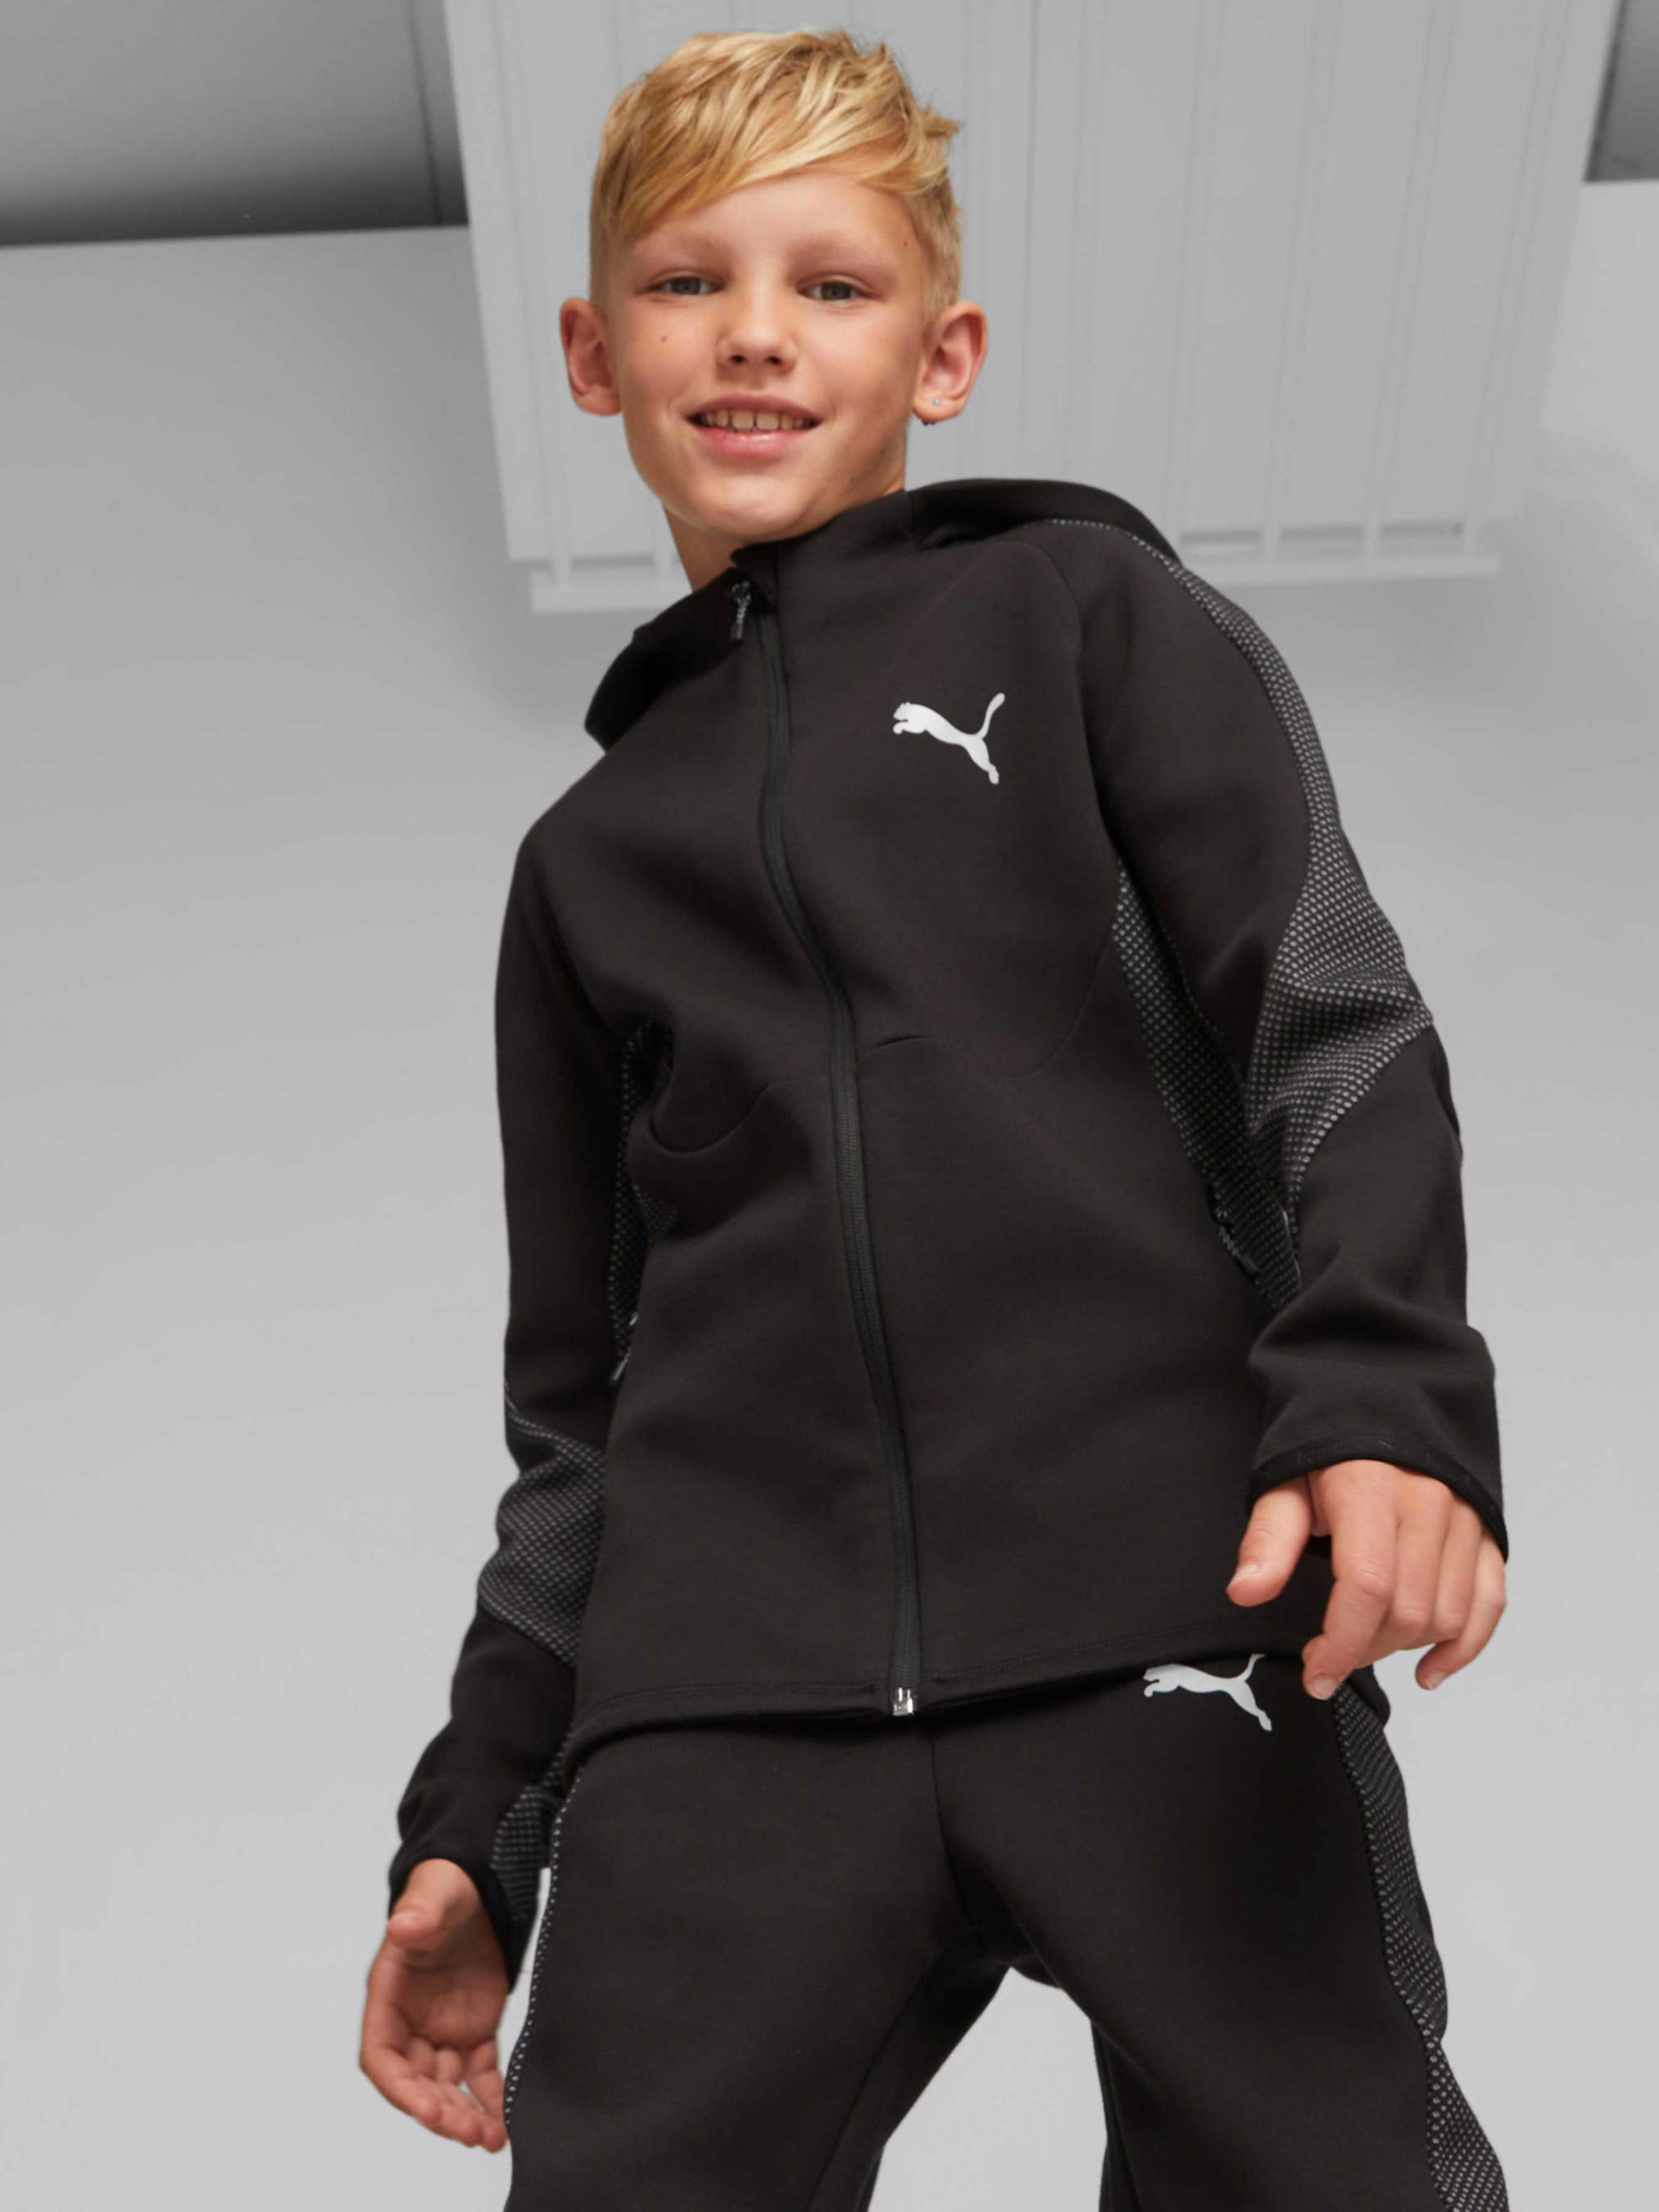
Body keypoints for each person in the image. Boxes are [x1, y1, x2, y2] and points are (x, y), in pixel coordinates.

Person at [360, 27, 1510, 2209]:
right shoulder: (584, 864)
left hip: (1160, 1619)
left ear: (943, 352)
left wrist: (1390, 1409)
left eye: (832, 283)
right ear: (595, 356)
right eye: (687, 283)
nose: (756, 333)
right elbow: (577, 1416)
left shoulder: (1087, 617)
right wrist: (482, 1819)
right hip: (726, 1709)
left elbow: (1332, 1027)